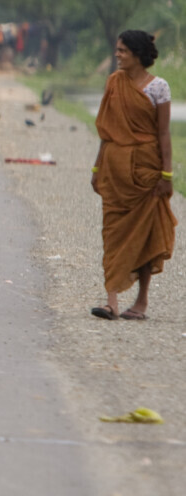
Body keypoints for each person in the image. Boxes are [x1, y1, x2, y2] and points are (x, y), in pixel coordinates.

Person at [90, 31, 177, 321]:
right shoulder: (114, 83)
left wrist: (166, 173)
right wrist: (97, 167)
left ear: (138, 54)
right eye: (117, 50)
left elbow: (163, 133)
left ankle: (141, 302)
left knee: (145, 234)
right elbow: (107, 130)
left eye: (123, 51)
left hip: (147, 170)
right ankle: (111, 301)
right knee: (112, 232)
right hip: (115, 169)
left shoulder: (159, 88)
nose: (117, 55)